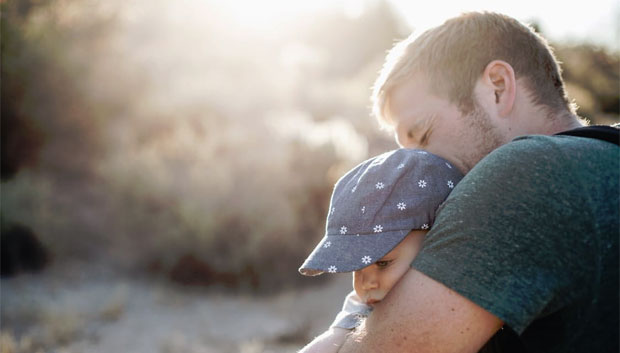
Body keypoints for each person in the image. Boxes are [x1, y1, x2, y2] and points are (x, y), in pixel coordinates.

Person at [329, 11, 619, 353]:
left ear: (497, 87)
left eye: (423, 135)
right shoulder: (603, 160)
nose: (415, 168)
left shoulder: (525, 173)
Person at [297, 148, 463, 353]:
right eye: (357, 268)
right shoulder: (367, 305)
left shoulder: (463, 298)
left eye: (383, 263)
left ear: (436, 239)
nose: (366, 284)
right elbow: (332, 341)